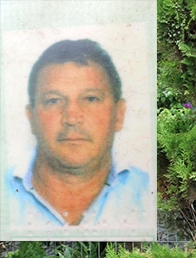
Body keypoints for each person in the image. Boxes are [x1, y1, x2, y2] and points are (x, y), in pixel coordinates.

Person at [4, 39, 149, 228]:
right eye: (54, 101)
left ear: (119, 114)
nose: (72, 118)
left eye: (90, 98)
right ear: (31, 118)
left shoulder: (149, 194)